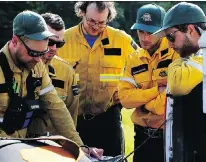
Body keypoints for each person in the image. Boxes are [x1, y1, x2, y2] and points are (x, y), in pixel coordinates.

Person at [0, 10, 103, 159]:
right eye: (33, 53)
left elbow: (56, 107)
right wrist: (15, 145)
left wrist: (80, 147)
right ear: (15, 41)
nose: (38, 60)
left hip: (19, 150)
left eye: (42, 53)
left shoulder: (37, 66)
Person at [57, 1, 138, 156]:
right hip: (73, 120)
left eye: (101, 23)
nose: (95, 27)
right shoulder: (63, 40)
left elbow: (142, 64)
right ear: (82, 13)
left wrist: (127, 90)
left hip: (108, 119)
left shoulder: (122, 40)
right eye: (91, 21)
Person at [118, 4, 179, 162]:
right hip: (141, 136)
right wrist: (156, 91)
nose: (144, 38)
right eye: (141, 32)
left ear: (163, 31)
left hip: (170, 137)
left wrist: (144, 105)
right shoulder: (133, 59)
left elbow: (162, 107)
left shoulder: (175, 54)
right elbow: (125, 99)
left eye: (150, 33)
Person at [27, 13, 79, 137]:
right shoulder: (19, 65)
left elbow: (70, 116)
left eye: (59, 44)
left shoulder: (67, 72)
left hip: (54, 145)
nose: (54, 48)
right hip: (19, 143)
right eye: (50, 42)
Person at [153, 2, 206, 96]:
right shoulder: (193, 57)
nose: (169, 45)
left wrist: (174, 64)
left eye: (170, 36)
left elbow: (177, 84)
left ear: (190, 30)